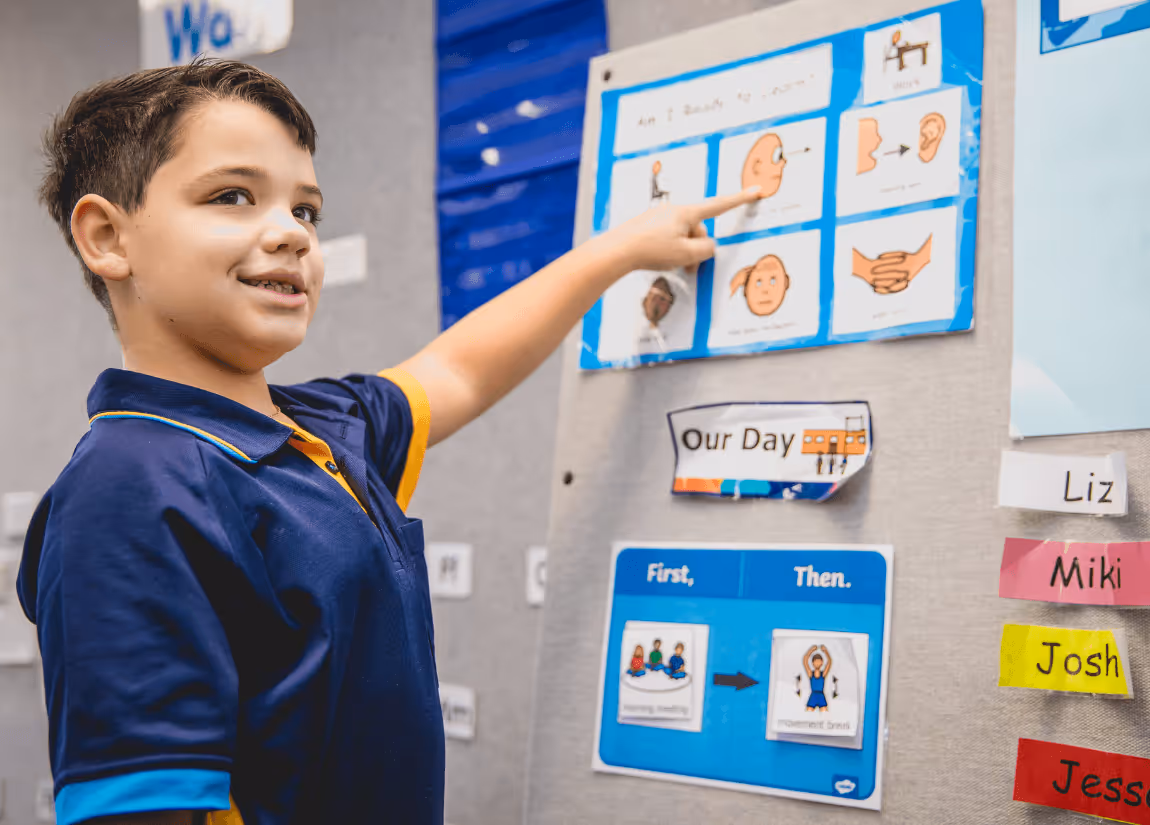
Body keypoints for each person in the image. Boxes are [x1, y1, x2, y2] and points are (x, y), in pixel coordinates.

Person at [15, 58, 759, 825]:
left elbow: (459, 369)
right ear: (108, 236)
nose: (290, 234)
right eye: (233, 197)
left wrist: (619, 251)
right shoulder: (129, 489)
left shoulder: (322, 431)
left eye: (306, 211)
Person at [803, 644, 833, 711]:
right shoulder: (811, 674)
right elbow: (805, 660)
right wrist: (811, 650)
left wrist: (826, 651)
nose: (817, 663)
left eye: (819, 661)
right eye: (816, 661)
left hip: (821, 696)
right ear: (813, 663)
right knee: (808, 713)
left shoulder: (823, 674)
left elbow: (829, 662)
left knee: (825, 715)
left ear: (822, 663)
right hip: (813, 695)